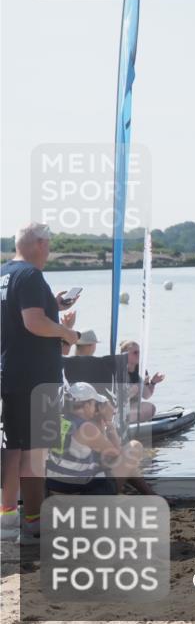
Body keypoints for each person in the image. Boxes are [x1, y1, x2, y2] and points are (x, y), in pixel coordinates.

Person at [1, 222, 81, 543]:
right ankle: (33, 520)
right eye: (48, 245)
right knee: (35, 452)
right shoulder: (32, 275)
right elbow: (33, 322)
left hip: (12, 372)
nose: (49, 251)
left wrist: (54, 304)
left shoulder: (5, 274)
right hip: (35, 377)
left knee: (13, 447)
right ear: (38, 244)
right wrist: (66, 332)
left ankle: (8, 517)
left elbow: (22, 315)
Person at [45, 382, 143, 495]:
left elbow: (101, 460)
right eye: (95, 403)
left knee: (112, 465)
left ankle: (149, 493)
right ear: (87, 405)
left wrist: (99, 422)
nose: (96, 407)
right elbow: (117, 453)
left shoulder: (60, 421)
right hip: (79, 493)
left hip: (56, 490)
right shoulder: (86, 428)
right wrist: (108, 421)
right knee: (135, 446)